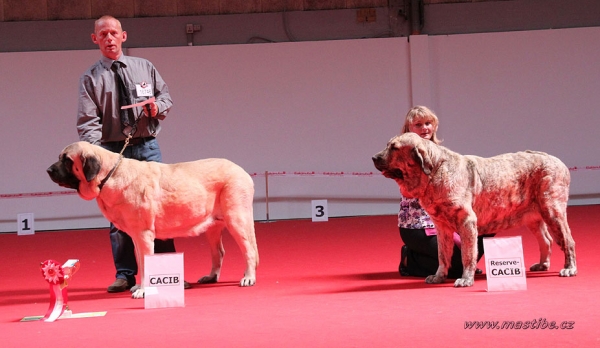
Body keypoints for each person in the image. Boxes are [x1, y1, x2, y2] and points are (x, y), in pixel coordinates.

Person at [77, 15, 188, 292]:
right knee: (118, 217)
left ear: (123, 36)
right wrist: (99, 158)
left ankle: (167, 273)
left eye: (114, 33)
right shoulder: (90, 79)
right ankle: (126, 274)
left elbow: (166, 98)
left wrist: (155, 108)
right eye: (103, 34)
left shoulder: (145, 67)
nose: (109, 38)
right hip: (112, 153)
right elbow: (87, 123)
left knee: (159, 210)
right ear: (95, 39)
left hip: (147, 146)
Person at [397, 106, 492, 278]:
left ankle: (462, 262)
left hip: (448, 219)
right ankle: (409, 259)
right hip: (419, 225)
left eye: (428, 123)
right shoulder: (403, 154)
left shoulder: (441, 153)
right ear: (408, 129)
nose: (425, 128)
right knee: (454, 269)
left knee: (488, 223)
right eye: (418, 124)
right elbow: (407, 192)